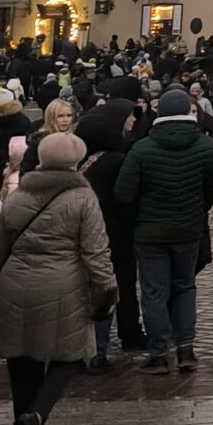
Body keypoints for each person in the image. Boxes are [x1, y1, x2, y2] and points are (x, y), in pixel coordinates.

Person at [0, 127, 115, 425]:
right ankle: (36, 415)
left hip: (13, 283)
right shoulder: (83, 198)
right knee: (70, 356)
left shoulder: (18, 195)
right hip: (63, 286)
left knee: (22, 359)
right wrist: (106, 288)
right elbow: (96, 251)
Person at [115, 85, 213, 374]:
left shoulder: (142, 148)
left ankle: (158, 353)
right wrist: (197, 210)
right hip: (188, 229)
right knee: (185, 287)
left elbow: (124, 193)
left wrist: (139, 217)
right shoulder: (206, 146)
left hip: (150, 233)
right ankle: (186, 349)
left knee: (153, 292)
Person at [78, 103, 142, 366]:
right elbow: (124, 197)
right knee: (121, 285)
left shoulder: (85, 158)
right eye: (128, 118)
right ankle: (121, 338)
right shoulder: (116, 160)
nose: (132, 122)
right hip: (114, 232)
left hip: (93, 232)